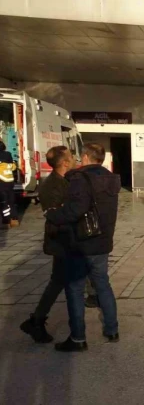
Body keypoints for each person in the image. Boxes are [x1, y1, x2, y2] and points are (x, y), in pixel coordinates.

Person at [46, 143, 121, 352]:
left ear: (86, 157)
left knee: (75, 289)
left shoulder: (80, 178)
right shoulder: (112, 178)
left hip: (82, 242)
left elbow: (75, 211)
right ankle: (112, 330)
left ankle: (78, 338)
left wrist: (52, 215)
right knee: (103, 285)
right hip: (103, 242)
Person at [20, 146, 75, 343]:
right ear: (65, 162)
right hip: (61, 240)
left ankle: (37, 320)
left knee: (62, 280)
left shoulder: (65, 179)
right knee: (59, 281)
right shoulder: (52, 185)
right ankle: (36, 321)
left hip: (69, 239)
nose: (74, 159)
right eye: (71, 157)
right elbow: (56, 214)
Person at [0, 140, 19, 228]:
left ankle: (6, 221)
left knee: (4, 202)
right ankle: (14, 220)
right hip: (9, 181)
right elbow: (12, 166)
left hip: (1, 181)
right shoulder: (8, 154)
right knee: (11, 201)